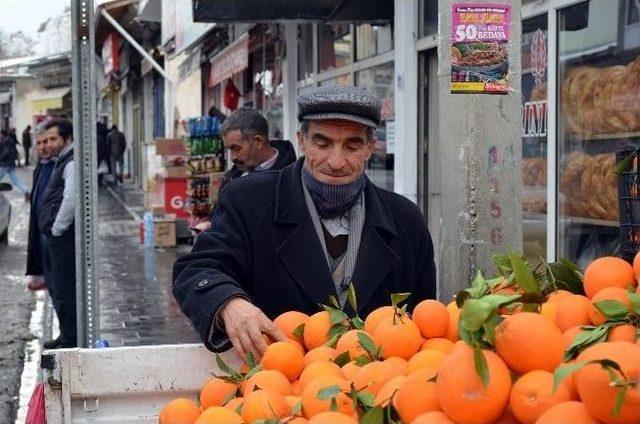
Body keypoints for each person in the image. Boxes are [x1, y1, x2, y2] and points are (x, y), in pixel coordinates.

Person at [173, 86, 437, 357]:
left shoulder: (406, 221)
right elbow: (197, 269)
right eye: (322, 144)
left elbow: (424, 323)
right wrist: (228, 302)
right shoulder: (248, 201)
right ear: (302, 140)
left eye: (352, 146)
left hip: (378, 389)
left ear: (370, 147)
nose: (336, 162)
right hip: (277, 386)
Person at [193, 108, 296, 233]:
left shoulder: (294, 178)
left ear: (258, 141)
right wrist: (209, 224)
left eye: (236, 148)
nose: (232, 157)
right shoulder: (232, 178)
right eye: (229, 150)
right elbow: (219, 215)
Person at [38, 119, 77, 349]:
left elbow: (70, 199)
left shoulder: (70, 162)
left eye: (54, 139)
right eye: (47, 139)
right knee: (60, 289)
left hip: (62, 237)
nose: (50, 144)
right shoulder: (61, 160)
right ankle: (66, 334)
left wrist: (56, 228)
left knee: (65, 290)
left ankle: (70, 339)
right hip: (57, 236)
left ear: (67, 139)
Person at [25, 124, 56, 292]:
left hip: (52, 234)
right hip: (41, 232)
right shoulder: (42, 165)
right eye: (39, 143)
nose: (44, 146)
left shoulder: (58, 166)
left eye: (48, 141)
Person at [0, 129, 30, 200]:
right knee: (15, 179)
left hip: (5, 163)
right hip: (10, 163)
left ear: (2, 134)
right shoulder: (10, 140)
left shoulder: (5, 141)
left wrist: (0, 158)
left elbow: (5, 152)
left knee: (15, 179)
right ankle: (26, 191)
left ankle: (27, 192)